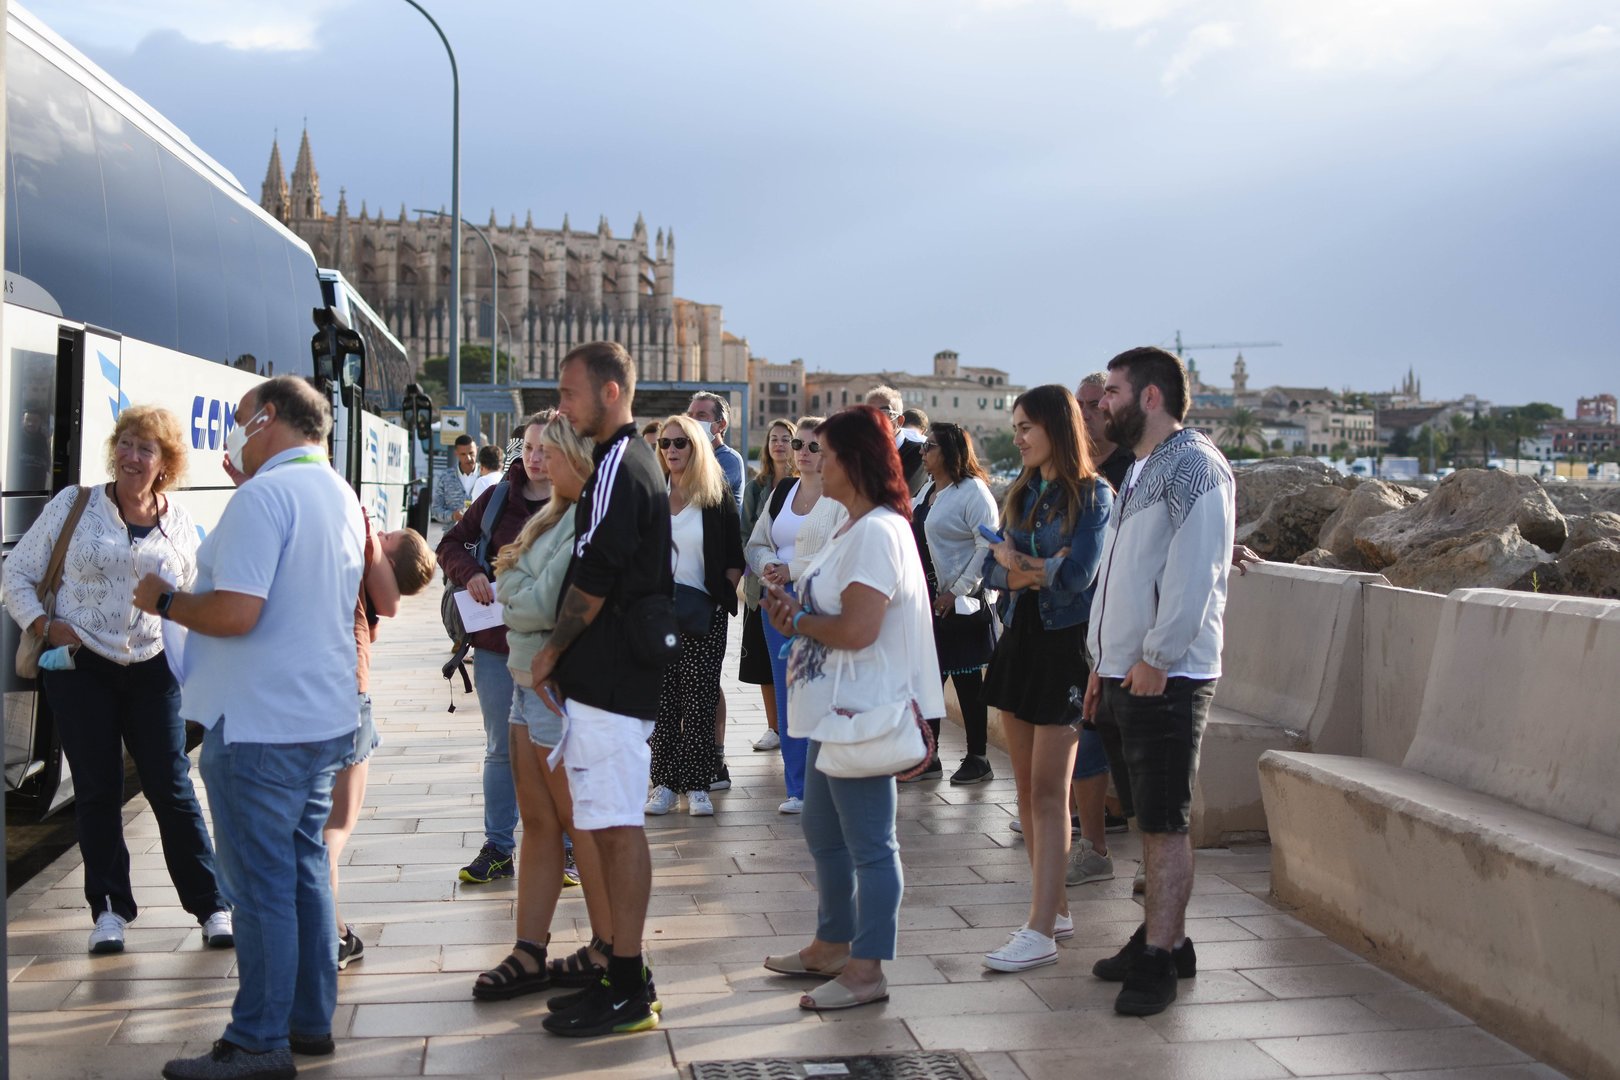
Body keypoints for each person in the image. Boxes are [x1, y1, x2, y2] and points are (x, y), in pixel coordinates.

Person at [137, 376, 365, 1080]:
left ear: (267, 419)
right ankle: (307, 1022)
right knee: (304, 871)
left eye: (241, 420)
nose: (234, 435)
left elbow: (237, 612)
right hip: (320, 716)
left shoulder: (266, 498)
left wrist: (165, 600)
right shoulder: (336, 491)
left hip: (259, 725)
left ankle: (257, 1041)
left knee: (260, 889)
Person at [4, 406, 231, 956]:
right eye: (125, 444)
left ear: (164, 462)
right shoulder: (74, 504)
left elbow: (191, 593)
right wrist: (43, 625)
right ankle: (109, 910)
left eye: (145, 448)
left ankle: (212, 905)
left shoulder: (178, 522)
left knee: (171, 788)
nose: (131, 456)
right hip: (82, 666)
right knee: (97, 789)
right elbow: (15, 572)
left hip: (153, 668)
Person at [760, 406, 942, 1011]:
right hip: (834, 709)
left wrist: (799, 620)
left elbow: (860, 629)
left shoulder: (876, 532)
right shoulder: (853, 525)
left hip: (863, 712)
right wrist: (795, 612)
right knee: (823, 829)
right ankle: (831, 943)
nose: (816, 462)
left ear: (855, 462)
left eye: (827, 454)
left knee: (870, 844)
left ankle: (867, 969)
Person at [1083, 346, 1236, 1018]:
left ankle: (1159, 962)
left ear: (1150, 397)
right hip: (1124, 670)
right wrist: (1101, 664)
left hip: (1166, 675)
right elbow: (1121, 573)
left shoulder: (1195, 466)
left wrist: (1158, 656)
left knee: (1166, 821)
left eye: (1112, 392)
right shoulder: (1142, 467)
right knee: (1146, 817)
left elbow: (1197, 573)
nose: (1101, 404)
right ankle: (1166, 939)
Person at [531, 341, 673, 1038]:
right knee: (604, 824)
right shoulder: (620, 460)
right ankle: (621, 976)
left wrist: (551, 652)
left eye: (569, 392)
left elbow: (596, 575)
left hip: (616, 681)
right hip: (605, 681)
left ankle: (630, 984)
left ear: (610, 392)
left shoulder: (622, 462)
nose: (562, 407)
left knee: (618, 828)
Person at [472, 415, 607, 1000]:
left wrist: (514, 594)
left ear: (576, 458)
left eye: (550, 453)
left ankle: (609, 946)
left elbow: (540, 603)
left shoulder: (584, 519)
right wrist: (517, 592)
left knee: (580, 822)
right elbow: (510, 580)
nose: (539, 462)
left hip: (557, 684)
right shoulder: (552, 515)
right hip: (525, 680)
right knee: (539, 823)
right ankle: (529, 948)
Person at [978, 384, 1112, 974]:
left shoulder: (1093, 495)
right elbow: (989, 572)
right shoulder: (1022, 491)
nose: (1018, 438)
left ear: (1056, 427)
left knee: (1052, 791)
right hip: (1020, 640)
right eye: (1015, 427)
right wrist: (1030, 570)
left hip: (1064, 647)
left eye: (1026, 427)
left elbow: (1078, 576)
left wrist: (1017, 564)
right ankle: (1053, 910)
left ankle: (1039, 931)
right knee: (1028, 791)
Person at [436, 413, 554, 885]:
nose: (536, 458)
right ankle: (499, 847)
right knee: (500, 748)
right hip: (495, 645)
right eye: (529, 447)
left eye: (546, 449)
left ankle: (567, 848)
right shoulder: (498, 497)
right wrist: (471, 574)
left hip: (555, 647)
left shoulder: (580, 503)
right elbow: (449, 544)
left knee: (555, 747)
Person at [325, 521, 435, 974]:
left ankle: (333, 929)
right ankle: (329, 933)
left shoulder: (349, 542)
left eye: (388, 537)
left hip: (301, 695)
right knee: (335, 828)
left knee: (315, 827)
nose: (379, 531)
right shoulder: (361, 544)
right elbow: (385, 612)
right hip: (347, 695)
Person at [645, 415, 746, 817]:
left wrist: (721, 598)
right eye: (665, 443)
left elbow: (735, 555)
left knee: (700, 700)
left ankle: (698, 784)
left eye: (680, 442)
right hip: (658, 616)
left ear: (696, 446)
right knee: (663, 701)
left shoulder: (715, 495)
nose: (671, 450)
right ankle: (665, 785)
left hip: (704, 614)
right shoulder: (651, 495)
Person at [745, 416, 847, 814]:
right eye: (799, 445)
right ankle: (798, 789)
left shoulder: (840, 498)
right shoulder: (783, 490)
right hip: (776, 603)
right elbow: (756, 542)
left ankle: (825, 787)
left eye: (813, 446)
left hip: (817, 603)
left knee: (818, 692)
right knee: (787, 696)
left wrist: (794, 569)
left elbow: (840, 552)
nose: (803, 452)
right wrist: (770, 565)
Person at [909, 422, 1000, 785]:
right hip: (929, 603)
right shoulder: (928, 490)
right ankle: (927, 757)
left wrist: (959, 590)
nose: (922, 452)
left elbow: (988, 545)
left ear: (949, 451)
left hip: (961, 604)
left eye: (929, 446)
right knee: (929, 680)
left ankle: (979, 758)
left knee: (967, 683)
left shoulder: (973, 492)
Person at [687, 391, 743, 791]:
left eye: (701, 415)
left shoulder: (728, 461)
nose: (693, 420)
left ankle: (714, 758)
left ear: (720, 424)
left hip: (709, 589)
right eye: (690, 414)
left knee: (706, 680)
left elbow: (705, 502)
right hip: (682, 586)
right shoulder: (683, 458)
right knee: (681, 680)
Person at [741, 419, 796, 752]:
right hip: (760, 586)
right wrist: (766, 566)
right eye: (773, 438)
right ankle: (774, 727)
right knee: (764, 662)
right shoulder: (756, 487)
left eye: (786, 439)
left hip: (795, 585)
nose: (779, 444)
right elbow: (746, 534)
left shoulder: (804, 486)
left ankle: (794, 727)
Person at [865, 385, 928, 495]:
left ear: (900, 421)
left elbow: (895, 495)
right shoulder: (863, 452)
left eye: (883, 414)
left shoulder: (918, 452)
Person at [432, 434, 480, 523]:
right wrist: (452, 516)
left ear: (477, 450)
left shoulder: (484, 476)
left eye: (471, 453)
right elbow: (435, 510)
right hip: (453, 530)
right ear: (456, 453)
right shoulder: (446, 477)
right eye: (463, 454)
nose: (468, 458)